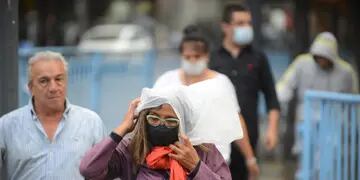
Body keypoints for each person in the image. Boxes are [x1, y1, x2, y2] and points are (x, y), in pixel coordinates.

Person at [154, 25, 259, 178]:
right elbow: (150, 117)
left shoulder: (220, 83)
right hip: (171, 161)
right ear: (181, 56)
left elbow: (235, 121)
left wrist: (250, 158)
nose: (192, 61)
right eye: (187, 57)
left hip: (213, 163)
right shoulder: (166, 81)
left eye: (197, 57)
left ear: (206, 56)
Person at [79, 84, 243, 179]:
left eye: (171, 121)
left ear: (183, 123)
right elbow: (88, 169)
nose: (161, 125)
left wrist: (196, 166)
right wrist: (122, 129)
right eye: (154, 119)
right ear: (144, 118)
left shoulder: (202, 150)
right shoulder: (132, 149)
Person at [0, 51, 106, 180]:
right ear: (30, 88)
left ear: (66, 81)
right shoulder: (6, 126)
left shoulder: (91, 122)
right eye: (44, 81)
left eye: (58, 79)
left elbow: (103, 174)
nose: (53, 87)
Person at [209, 3, 281, 179]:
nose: (246, 27)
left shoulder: (258, 58)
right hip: (217, 137)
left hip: (249, 136)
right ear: (225, 26)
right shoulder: (212, 58)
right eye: (240, 23)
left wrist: (272, 130)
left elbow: (272, 98)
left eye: (248, 23)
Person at [277, 32, 359, 153]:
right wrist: (277, 105)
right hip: (306, 120)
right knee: (305, 157)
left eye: (325, 57)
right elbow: (285, 85)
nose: (321, 60)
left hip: (334, 124)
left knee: (331, 158)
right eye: (318, 56)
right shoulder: (302, 63)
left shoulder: (346, 72)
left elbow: (355, 102)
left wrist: (354, 126)